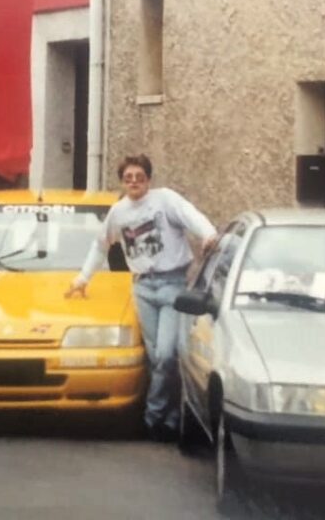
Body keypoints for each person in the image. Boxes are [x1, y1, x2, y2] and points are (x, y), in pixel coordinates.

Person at [66, 154, 216, 441]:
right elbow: (100, 246)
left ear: (148, 179)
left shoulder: (165, 200)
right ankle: (170, 419)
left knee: (166, 353)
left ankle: (152, 414)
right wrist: (82, 279)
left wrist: (208, 234)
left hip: (173, 284)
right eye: (128, 178)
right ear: (122, 181)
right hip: (143, 288)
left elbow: (190, 215)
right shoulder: (119, 212)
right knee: (156, 358)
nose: (134, 182)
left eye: (140, 177)